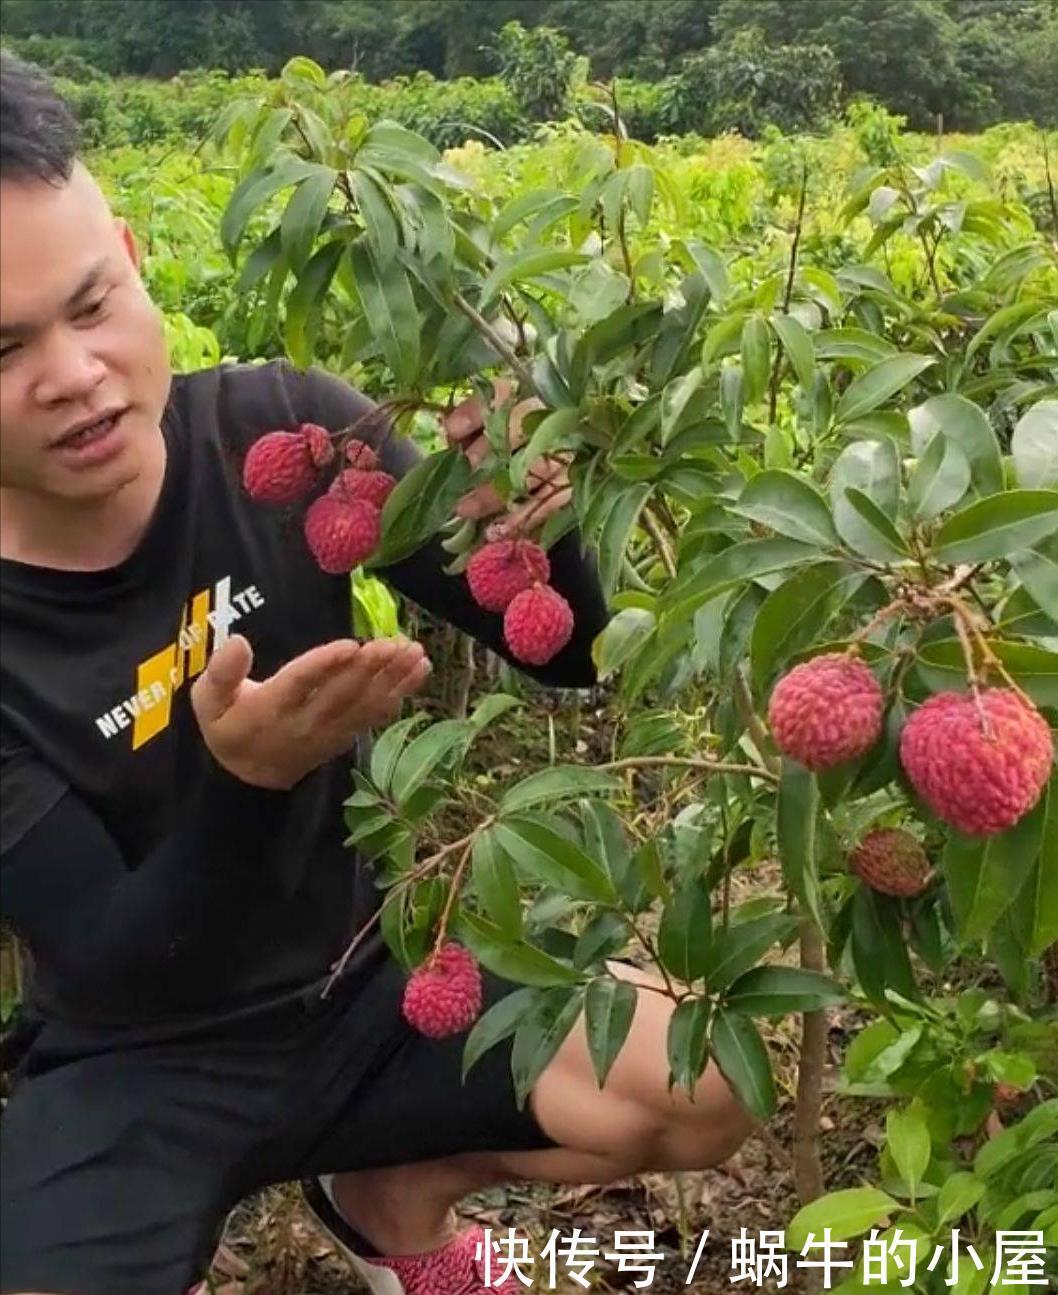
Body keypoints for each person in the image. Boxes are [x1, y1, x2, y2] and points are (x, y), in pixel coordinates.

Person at [0, 51, 753, 1295]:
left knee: (706, 1075)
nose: (74, 374)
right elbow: (119, 960)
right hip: (140, 1057)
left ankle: (390, 1195)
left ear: (130, 257)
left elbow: (564, 651)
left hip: (370, 978)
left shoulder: (286, 435)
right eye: (3, 347)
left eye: (92, 306)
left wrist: (535, 523)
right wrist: (250, 781)